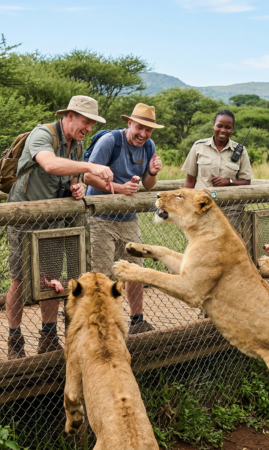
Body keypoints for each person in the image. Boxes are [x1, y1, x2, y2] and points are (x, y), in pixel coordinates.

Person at [5, 95, 114, 359]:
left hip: (53, 219)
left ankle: (48, 334)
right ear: (70, 116)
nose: (88, 128)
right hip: (25, 216)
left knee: (51, 279)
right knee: (20, 278)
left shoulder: (76, 144)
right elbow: (50, 164)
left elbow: (71, 176)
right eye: (86, 122)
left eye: (91, 124)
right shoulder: (42, 134)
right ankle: (14, 337)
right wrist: (91, 166)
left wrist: (76, 186)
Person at [84, 103, 163, 334]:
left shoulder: (149, 146)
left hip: (128, 217)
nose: (143, 134)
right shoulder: (110, 141)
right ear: (129, 123)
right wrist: (119, 188)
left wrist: (154, 172)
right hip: (100, 216)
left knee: (134, 270)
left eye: (148, 130)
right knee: (102, 273)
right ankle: (101, 322)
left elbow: (148, 185)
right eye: (140, 127)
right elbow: (88, 176)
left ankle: (136, 320)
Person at [181, 109, 253, 232]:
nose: (223, 130)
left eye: (228, 127)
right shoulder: (199, 146)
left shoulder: (240, 151)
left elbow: (246, 181)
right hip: (202, 206)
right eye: (219, 126)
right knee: (202, 243)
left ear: (232, 128)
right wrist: (186, 206)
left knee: (227, 244)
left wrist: (228, 181)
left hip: (231, 208)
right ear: (214, 125)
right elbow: (190, 180)